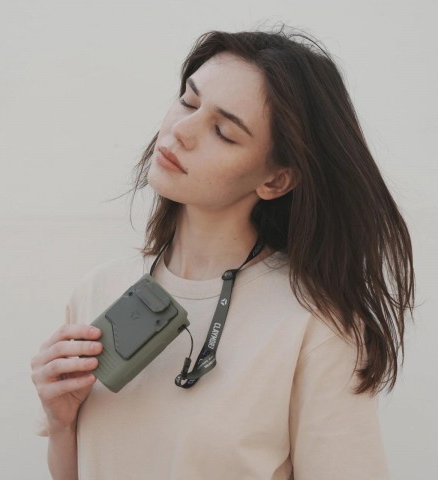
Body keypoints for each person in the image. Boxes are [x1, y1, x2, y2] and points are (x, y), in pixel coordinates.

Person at [31, 27, 415, 480]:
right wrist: (61, 425)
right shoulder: (99, 291)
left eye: (223, 132)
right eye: (188, 102)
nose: (181, 131)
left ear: (275, 180)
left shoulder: (316, 326)